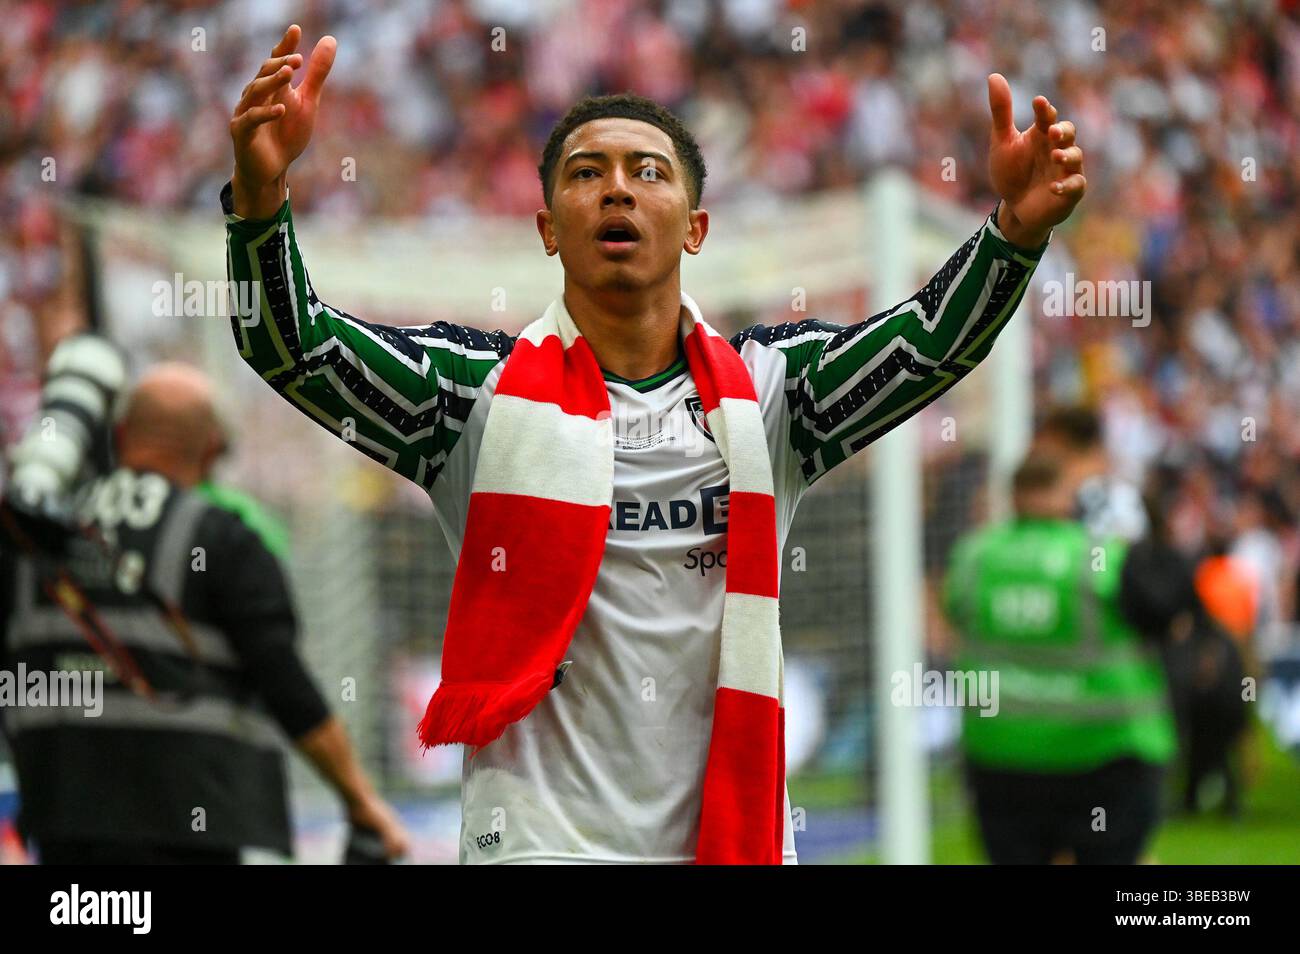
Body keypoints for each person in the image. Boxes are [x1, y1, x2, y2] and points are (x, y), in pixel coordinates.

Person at [224, 24, 1085, 864]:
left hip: (727, 841)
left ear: (697, 226)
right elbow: (294, 347)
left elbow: (926, 345)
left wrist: (1012, 235)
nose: (618, 190)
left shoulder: (769, 391)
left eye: (648, 172)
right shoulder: (472, 395)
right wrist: (260, 204)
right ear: (548, 227)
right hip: (539, 840)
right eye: (586, 173)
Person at [0, 358, 409, 864]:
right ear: (214, 448)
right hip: (192, 824)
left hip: (63, 819)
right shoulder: (226, 539)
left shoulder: (30, 533)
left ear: (120, 433)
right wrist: (362, 801)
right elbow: (287, 686)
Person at [943, 452, 1179, 864]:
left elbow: (949, 612)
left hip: (1003, 758)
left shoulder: (974, 557)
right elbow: (1167, 615)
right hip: (1105, 756)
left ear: (1014, 496)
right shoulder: (1101, 558)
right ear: (1065, 499)